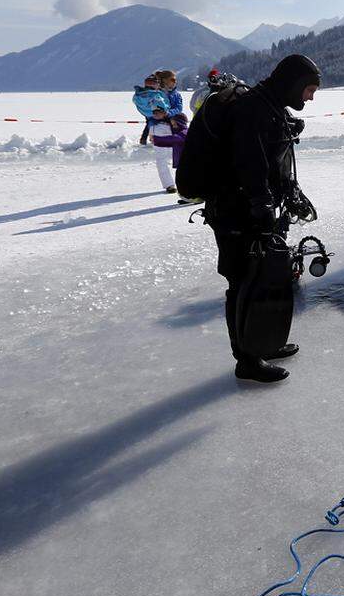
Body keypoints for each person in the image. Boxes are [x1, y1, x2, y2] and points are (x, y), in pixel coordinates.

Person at [203, 54, 321, 383]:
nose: (310, 97)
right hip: (235, 215)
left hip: (256, 213)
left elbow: (272, 165)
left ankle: (262, 342)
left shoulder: (270, 108)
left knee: (264, 279)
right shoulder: (253, 110)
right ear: (294, 84)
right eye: (309, 89)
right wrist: (261, 204)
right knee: (242, 284)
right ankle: (247, 360)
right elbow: (249, 165)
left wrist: (288, 194)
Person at [151, 69, 197, 203]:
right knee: (161, 158)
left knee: (181, 156)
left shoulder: (177, 95)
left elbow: (179, 108)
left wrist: (167, 114)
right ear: (164, 80)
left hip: (174, 127)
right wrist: (154, 119)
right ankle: (169, 185)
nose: (175, 82)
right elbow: (149, 111)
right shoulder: (155, 94)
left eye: (175, 79)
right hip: (158, 127)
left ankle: (185, 183)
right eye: (172, 79)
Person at [132, 74, 176, 192]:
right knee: (177, 153)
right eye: (156, 83)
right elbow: (164, 108)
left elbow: (146, 112)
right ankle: (184, 181)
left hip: (153, 128)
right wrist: (167, 112)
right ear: (153, 84)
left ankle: (169, 184)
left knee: (161, 158)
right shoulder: (155, 96)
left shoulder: (138, 97)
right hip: (165, 126)